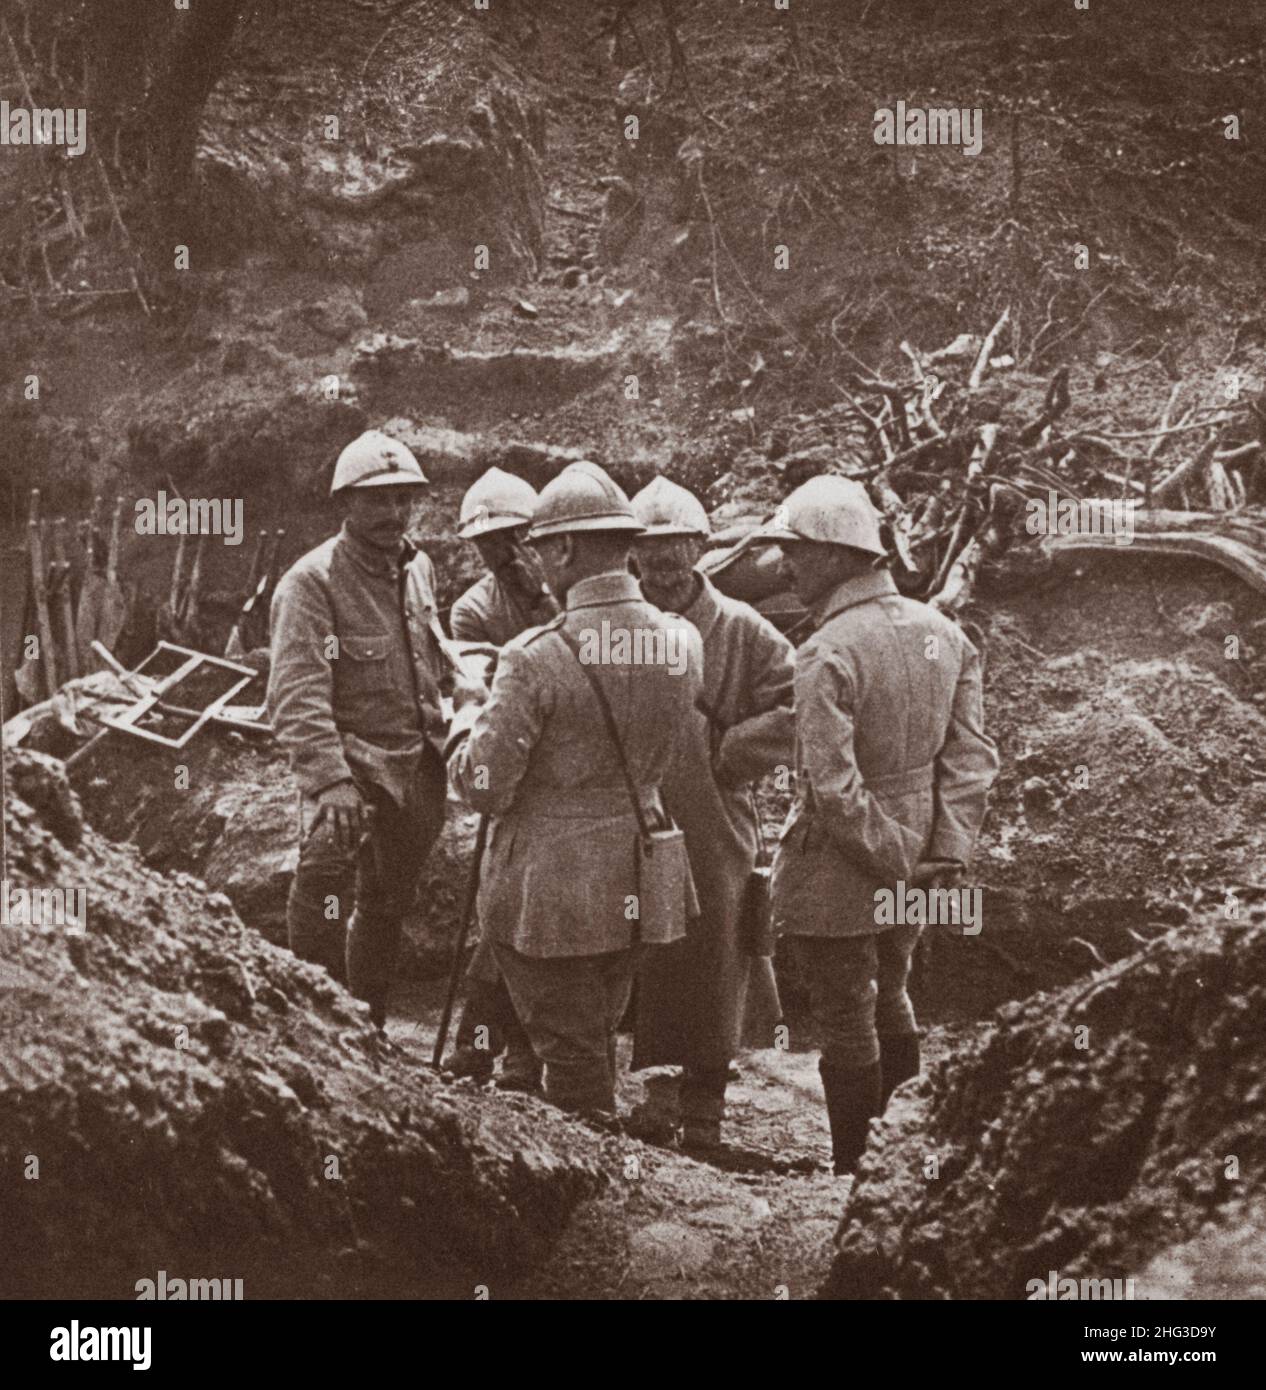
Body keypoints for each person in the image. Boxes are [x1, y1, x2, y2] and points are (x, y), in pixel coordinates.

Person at [447, 461, 703, 1118]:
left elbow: (483, 785)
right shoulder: (681, 639)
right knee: (594, 1030)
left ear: (562, 548)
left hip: (550, 888)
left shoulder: (533, 656)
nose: (535, 562)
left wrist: (465, 714)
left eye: (539, 546)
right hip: (644, 871)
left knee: (572, 1056)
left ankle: (587, 1183)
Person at [761, 474, 998, 1174]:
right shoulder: (946, 635)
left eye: (796, 551)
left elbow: (832, 789)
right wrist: (942, 853)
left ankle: (851, 1170)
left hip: (845, 866)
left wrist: (894, 856)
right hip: (922, 860)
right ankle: (898, 1164)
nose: (786, 566)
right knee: (891, 988)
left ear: (838, 554)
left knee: (844, 1012)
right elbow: (972, 759)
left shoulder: (826, 651)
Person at [627, 475, 795, 1150]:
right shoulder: (621, 623)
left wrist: (729, 752)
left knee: (713, 950)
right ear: (631, 553)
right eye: (651, 546)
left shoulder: (744, 629)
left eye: (678, 545)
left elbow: (795, 704)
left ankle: (705, 1105)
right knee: (637, 950)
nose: (665, 561)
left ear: (701, 546)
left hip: (713, 814)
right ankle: (653, 1093)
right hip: (631, 810)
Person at [267, 429, 450, 1034]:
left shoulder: (418, 567)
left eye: (403, 499)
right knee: (323, 889)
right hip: (351, 772)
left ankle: (366, 1026)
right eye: (377, 500)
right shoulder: (311, 582)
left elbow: (429, 655)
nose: (393, 513)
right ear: (345, 502)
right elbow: (297, 694)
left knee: (386, 905)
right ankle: (316, 1027)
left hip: (417, 765)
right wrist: (329, 782)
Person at [444, 467, 552, 1091]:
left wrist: (542, 600)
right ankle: (487, 1050)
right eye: (487, 543)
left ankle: (513, 1055)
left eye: (512, 536)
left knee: (536, 923)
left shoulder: (566, 591)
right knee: (501, 916)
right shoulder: (473, 611)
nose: (501, 552)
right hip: (512, 775)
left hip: (570, 774)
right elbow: (482, 698)